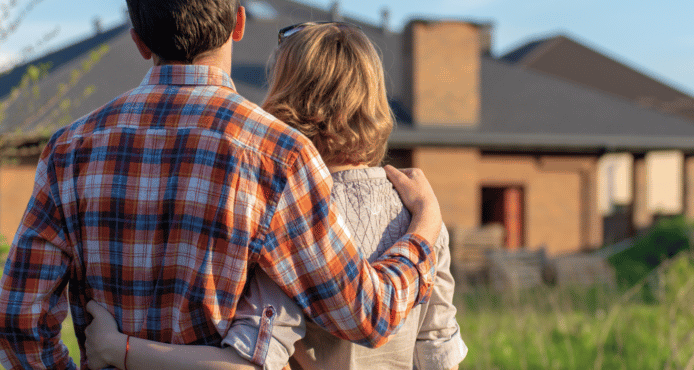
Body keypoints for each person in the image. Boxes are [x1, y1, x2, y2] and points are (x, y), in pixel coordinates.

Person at [0, 0, 443, 370]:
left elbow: (18, 324)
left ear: (139, 42)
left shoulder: (69, 151)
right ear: (238, 24)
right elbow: (366, 315)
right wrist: (424, 227)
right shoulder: (280, 155)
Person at [83, 22, 468, 370]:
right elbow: (439, 354)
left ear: (289, 96)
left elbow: (249, 362)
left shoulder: (290, 209)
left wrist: (119, 348)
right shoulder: (421, 211)